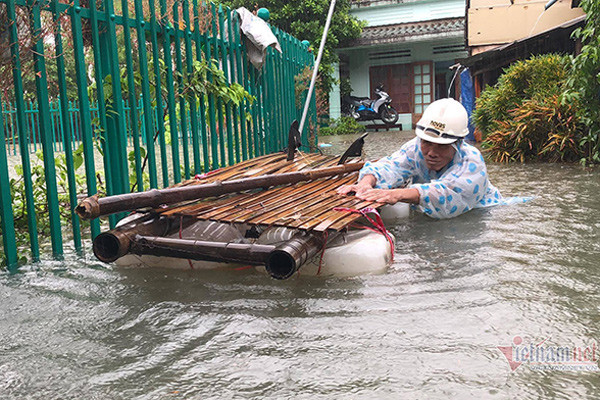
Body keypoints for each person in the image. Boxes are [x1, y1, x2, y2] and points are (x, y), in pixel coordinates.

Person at [337, 98, 505, 219]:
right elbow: (391, 165)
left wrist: (397, 194)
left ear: (457, 143)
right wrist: (365, 183)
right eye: (427, 143)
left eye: (441, 145)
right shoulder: (416, 146)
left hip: (480, 212)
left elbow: (446, 194)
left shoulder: (472, 161)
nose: (432, 152)